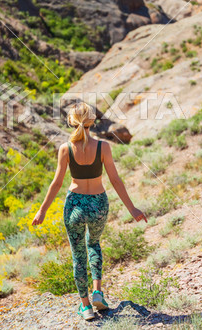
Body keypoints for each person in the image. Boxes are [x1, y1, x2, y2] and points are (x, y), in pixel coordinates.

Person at [32, 101, 147, 320]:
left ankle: (85, 307)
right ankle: (98, 293)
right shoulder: (104, 147)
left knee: (78, 255)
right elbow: (115, 179)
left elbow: (56, 184)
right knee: (93, 244)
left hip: (75, 204)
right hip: (98, 204)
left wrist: (42, 210)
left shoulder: (65, 148)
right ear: (92, 122)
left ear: (71, 121)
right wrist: (132, 208)